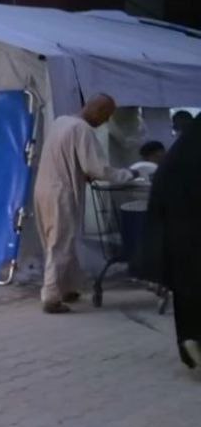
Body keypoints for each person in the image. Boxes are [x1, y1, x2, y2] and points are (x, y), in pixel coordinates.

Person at [33, 94, 138, 314]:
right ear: (98, 111)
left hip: (43, 188)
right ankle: (51, 296)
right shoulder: (82, 129)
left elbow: (69, 158)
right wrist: (128, 175)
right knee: (60, 243)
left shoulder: (61, 122)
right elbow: (97, 168)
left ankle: (67, 287)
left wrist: (82, 172)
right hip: (61, 192)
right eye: (106, 116)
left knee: (57, 240)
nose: (105, 121)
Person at [141, 116, 201, 372]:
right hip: (192, 229)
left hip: (176, 231)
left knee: (187, 290)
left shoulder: (180, 152)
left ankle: (189, 343)